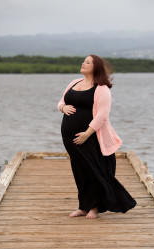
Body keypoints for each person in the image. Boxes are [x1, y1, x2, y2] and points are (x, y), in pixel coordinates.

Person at [57, 54, 137, 219]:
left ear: (96, 67)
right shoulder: (74, 82)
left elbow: (102, 115)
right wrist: (63, 108)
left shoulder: (102, 89)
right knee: (79, 170)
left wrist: (87, 133)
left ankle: (94, 207)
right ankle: (83, 206)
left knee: (92, 171)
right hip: (71, 139)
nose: (83, 63)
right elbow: (61, 101)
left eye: (88, 62)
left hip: (91, 137)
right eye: (83, 61)